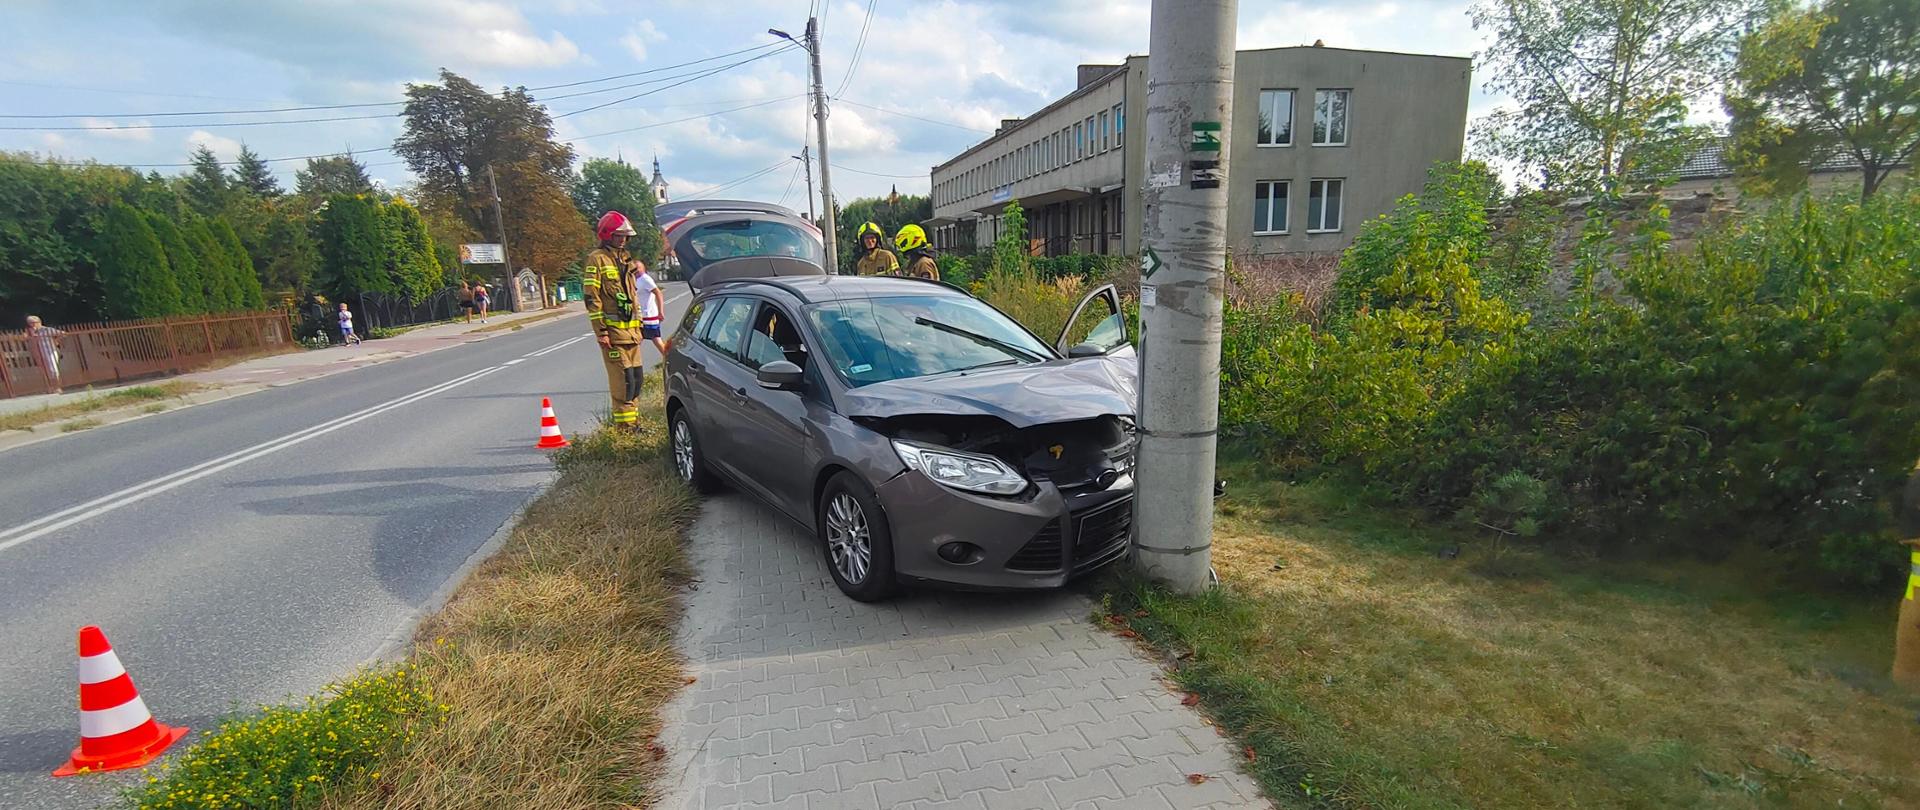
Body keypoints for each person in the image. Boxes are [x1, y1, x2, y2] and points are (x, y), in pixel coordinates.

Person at [584, 211, 648, 430]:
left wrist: (639, 325)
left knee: (636, 380)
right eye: (618, 235)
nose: (622, 239)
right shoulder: (597, 259)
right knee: (624, 383)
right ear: (607, 234)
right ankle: (625, 430)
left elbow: (633, 296)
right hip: (613, 336)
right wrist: (601, 332)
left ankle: (635, 424)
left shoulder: (626, 260)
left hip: (632, 334)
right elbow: (592, 297)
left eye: (625, 236)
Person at [633, 254, 669, 361]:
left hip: (648, 316)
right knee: (637, 340)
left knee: (656, 340)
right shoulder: (634, 279)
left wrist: (660, 311)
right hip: (640, 316)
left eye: (638, 268)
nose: (636, 270)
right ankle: (634, 362)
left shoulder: (645, 279)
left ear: (643, 268)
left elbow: (658, 293)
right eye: (634, 268)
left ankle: (668, 359)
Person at [25, 315, 66, 394]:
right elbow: (24, 338)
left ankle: (58, 387)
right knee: (46, 372)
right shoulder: (30, 332)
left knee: (53, 370)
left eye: (33, 323)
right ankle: (51, 387)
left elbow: (63, 333)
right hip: (40, 353)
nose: (32, 325)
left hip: (50, 352)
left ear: (39, 322)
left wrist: (56, 341)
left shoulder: (47, 330)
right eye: (30, 323)